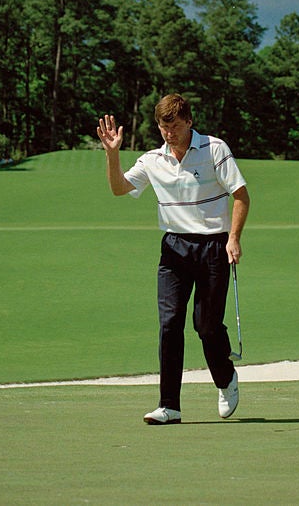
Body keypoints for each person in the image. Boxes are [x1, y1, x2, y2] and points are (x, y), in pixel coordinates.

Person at [97, 94, 250, 425]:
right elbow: (119, 188)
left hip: (213, 247)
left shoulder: (215, 149)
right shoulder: (153, 159)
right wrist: (112, 155)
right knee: (169, 324)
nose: (169, 134)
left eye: (176, 127)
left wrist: (233, 237)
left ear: (189, 122)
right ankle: (169, 406)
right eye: (164, 128)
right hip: (174, 249)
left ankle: (225, 379)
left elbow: (241, 196)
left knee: (206, 326)